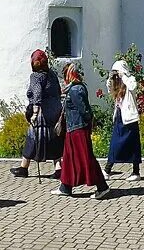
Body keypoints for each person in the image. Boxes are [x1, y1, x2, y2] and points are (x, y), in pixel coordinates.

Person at [51, 62, 111, 200]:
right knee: (69, 158)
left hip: (78, 129)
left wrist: (89, 124)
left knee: (86, 159)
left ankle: (102, 187)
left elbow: (84, 111)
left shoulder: (75, 90)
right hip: (73, 129)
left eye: (65, 74)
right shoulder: (74, 88)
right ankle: (65, 187)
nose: (64, 78)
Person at [10, 49, 63, 179]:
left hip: (42, 113)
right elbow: (58, 90)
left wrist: (35, 112)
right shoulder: (52, 74)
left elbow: (37, 93)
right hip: (55, 110)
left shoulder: (36, 76)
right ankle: (58, 168)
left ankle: (24, 168)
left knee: (33, 138)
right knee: (54, 138)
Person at [103, 59, 141, 181]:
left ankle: (136, 172)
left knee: (133, 145)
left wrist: (123, 75)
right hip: (120, 117)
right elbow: (109, 89)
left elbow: (133, 86)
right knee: (115, 143)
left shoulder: (130, 80)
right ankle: (107, 169)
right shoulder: (116, 83)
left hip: (130, 118)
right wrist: (110, 78)